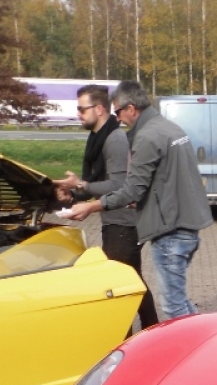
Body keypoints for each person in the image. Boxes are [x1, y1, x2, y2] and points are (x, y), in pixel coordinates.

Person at [66, 81, 213, 319]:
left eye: (118, 111)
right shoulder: (170, 128)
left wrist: (92, 205)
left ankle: (199, 351)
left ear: (131, 108)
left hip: (171, 232)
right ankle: (203, 343)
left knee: (174, 307)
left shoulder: (146, 136)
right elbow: (168, 180)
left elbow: (130, 189)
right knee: (179, 301)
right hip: (189, 226)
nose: (118, 118)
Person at [54, 84, 158, 330]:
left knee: (124, 282)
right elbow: (100, 182)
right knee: (131, 280)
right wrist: (75, 189)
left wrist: (81, 185)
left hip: (124, 222)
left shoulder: (115, 140)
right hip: (114, 221)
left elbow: (119, 184)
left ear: (99, 109)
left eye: (82, 109)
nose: (78, 114)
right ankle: (147, 331)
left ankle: (136, 334)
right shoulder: (99, 138)